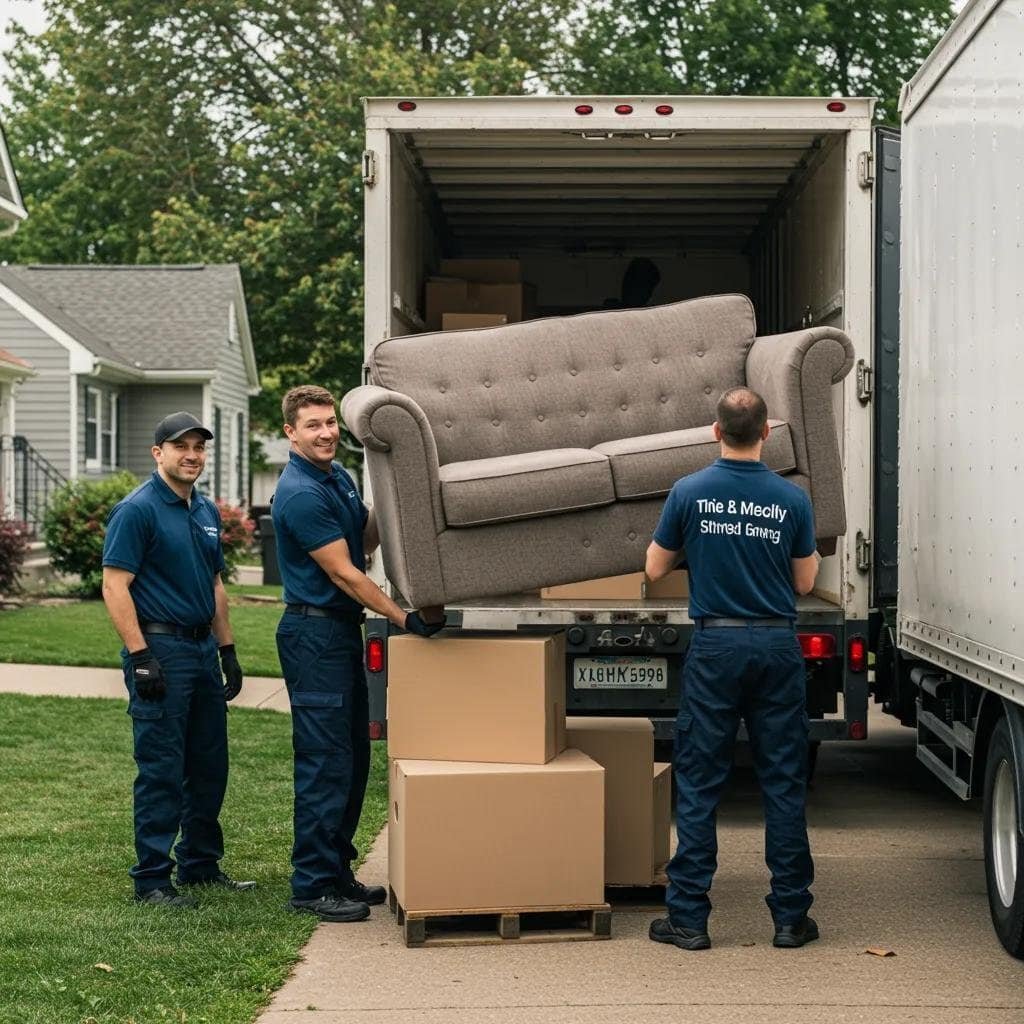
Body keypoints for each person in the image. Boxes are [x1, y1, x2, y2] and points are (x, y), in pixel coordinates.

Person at [645, 387, 820, 951]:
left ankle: (689, 919)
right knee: (783, 782)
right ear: (767, 432)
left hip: (716, 646)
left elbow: (654, 568)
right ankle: (790, 918)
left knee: (699, 782)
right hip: (775, 645)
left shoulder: (689, 491)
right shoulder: (791, 499)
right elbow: (805, 582)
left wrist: (702, 547)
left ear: (715, 431)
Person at [272, 385, 445, 923]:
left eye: (330, 423)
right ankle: (311, 885)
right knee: (324, 762)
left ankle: (337, 872)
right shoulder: (301, 493)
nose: (326, 433)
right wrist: (404, 618)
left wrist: (397, 488)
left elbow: (364, 541)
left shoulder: (337, 478)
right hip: (313, 635)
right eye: (313, 425)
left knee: (350, 759)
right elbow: (345, 573)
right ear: (291, 433)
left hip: (337, 633)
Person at [102, 411, 252, 908]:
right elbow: (115, 585)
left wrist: (227, 650)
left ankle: (200, 864)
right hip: (160, 649)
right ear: (158, 453)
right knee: (162, 767)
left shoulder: (204, 510)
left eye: (199, 447)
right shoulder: (137, 510)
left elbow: (215, 585)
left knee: (209, 764)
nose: (191, 455)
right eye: (180, 446)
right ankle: (151, 879)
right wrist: (141, 656)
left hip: (202, 650)